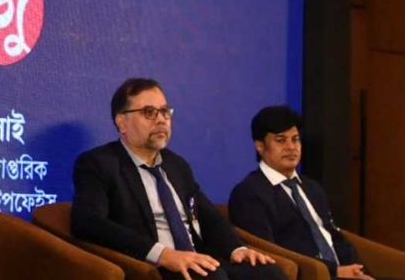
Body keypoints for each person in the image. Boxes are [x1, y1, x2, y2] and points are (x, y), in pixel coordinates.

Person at [72, 78, 284, 280]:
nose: (161, 120)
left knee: (268, 274)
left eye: (165, 111)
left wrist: (236, 249)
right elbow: (88, 222)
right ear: (122, 123)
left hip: (194, 259)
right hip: (150, 268)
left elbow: (208, 217)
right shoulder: (99, 163)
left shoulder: (176, 165)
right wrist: (162, 254)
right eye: (149, 112)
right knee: (209, 277)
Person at [229, 106, 397, 280]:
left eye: (295, 139)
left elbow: (334, 236)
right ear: (260, 146)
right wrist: (334, 271)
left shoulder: (312, 188)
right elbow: (269, 250)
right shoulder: (249, 193)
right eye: (281, 140)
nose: (291, 147)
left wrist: (358, 270)